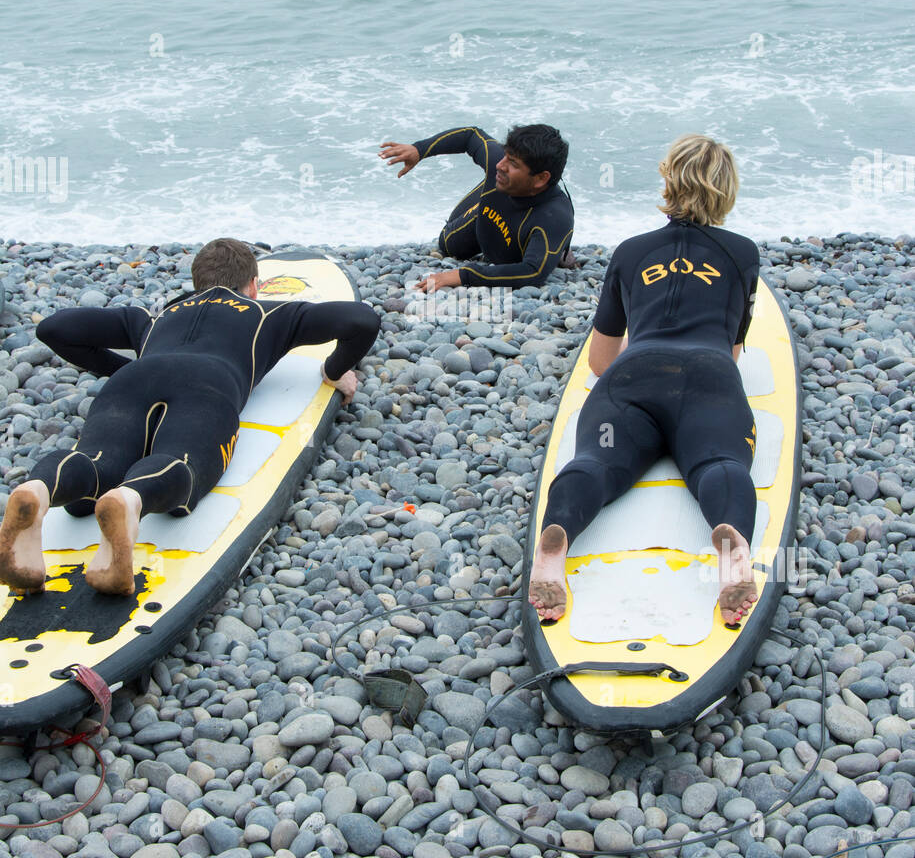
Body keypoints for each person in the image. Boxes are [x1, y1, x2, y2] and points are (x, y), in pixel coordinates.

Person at [0, 239, 380, 599]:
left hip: (133, 382)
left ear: (196, 284)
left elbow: (54, 328)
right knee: (183, 465)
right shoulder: (270, 313)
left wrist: (121, 369)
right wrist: (333, 369)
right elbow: (362, 320)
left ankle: (38, 489)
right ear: (254, 285)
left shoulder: (153, 317)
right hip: (208, 386)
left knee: (97, 462)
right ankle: (131, 500)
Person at [528, 134, 761, 630]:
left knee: (597, 460)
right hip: (709, 378)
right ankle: (731, 541)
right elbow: (734, 351)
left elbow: (600, 359)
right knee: (719, 461)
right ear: (727, 190)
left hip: (630, 381)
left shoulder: (631, 252)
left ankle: (557, 539)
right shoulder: (743, 253)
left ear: (668, 180)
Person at [379, 124, 574, 289]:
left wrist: (463, 276)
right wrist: (419, 150)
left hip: (515, 233)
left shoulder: (555, 216)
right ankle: (492, 192)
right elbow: (470, 135)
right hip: (488, 212)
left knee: (537, 250)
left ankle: (553, 249)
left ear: (541, 178)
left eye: (512, 163)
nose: (500, 165)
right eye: (505, 155)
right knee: (447, 245)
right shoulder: (498, 163)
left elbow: (533, 272)